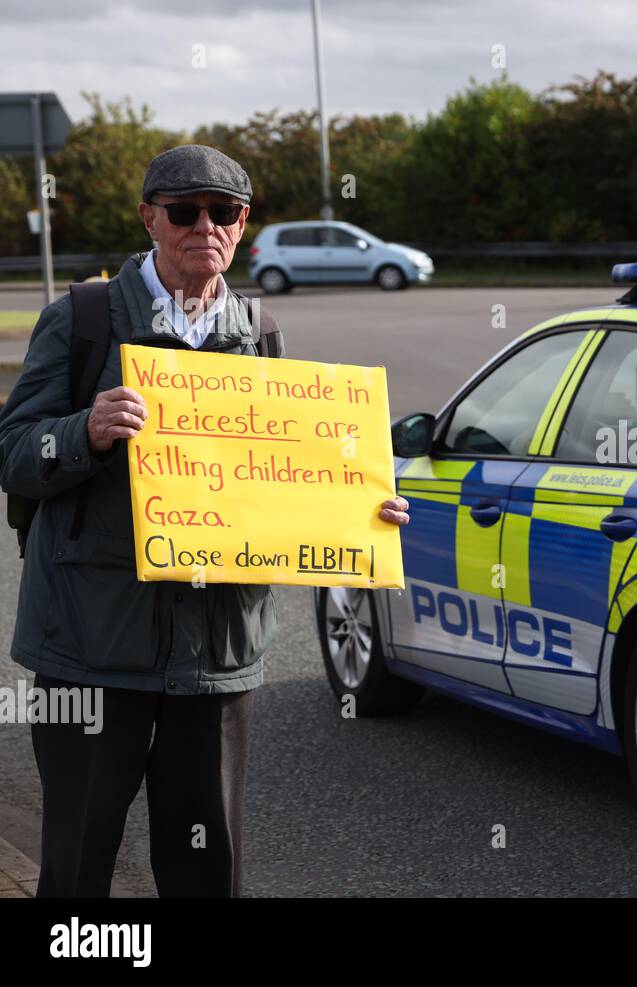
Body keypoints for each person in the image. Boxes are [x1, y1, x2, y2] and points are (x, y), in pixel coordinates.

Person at [0, 144, 410, 897]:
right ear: (149, 217)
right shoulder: (83, 319)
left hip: (214, 655)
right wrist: (81, 433)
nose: (204, 227)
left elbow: (294, 472)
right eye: (184, 211)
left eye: (223, 213)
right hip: (92, 649)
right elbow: (13, 451)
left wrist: (362, 510)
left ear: (242, 223)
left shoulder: (261, 331)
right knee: (77, 866)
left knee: (207, 867)